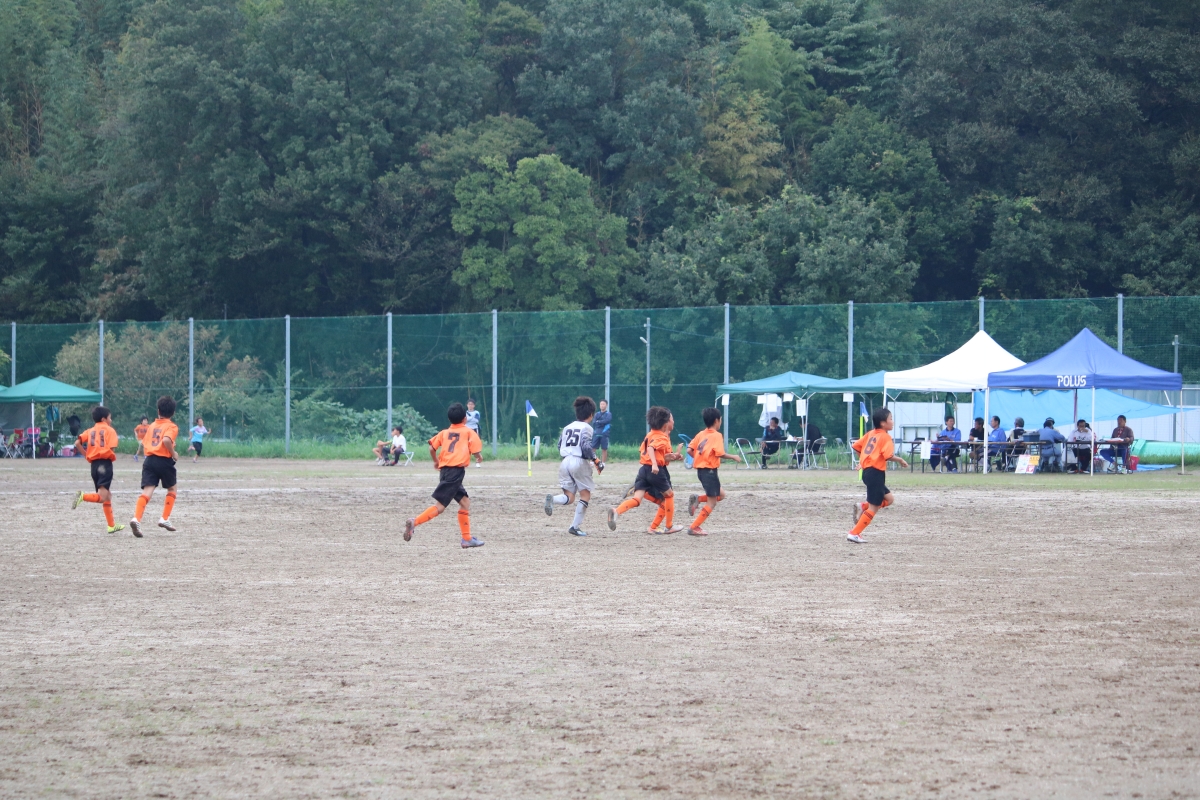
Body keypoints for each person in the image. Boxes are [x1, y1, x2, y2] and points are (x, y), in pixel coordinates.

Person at [404, 403, 485, 548]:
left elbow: (431, 448)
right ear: (465, 418)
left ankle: (466, 538)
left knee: (465, 502)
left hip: (446, 471)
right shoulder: (468, 432)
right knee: (440, 507)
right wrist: (479, 457)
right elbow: (475, 450)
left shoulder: (444, 433)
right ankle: (415, 521)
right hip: (455, 472)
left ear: (449, 419)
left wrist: (436, 461)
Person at [607, 406, 684, 534]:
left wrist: (674, 456)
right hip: (656, 471)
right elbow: (651, 449)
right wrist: (654, 464)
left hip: (643, 470)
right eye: (672, 419)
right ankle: (669, 526)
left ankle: (616, 512)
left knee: (637, 500)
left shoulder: (650, 435)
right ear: (665, 424)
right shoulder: (662, 437)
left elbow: (656, 454)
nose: (673, 421)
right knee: (669, 496)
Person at [544, 396, 605, 537]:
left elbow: (559, 445)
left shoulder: (567, 427)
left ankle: (553, 499)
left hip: (565, 461)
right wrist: (596, 460)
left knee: (569, 497)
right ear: (591, 415)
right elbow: (585, 446)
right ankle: (574, 527)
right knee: (585, 495)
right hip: (578, 461)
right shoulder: (587, 428)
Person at [847, 407, 909, 543]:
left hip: (868, 473)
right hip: (875, 473)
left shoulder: (870, 434)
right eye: (890, 419)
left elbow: (857, 446)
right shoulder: (885, 437)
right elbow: (888, 455)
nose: (892, 421)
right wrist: (900, 460)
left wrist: (863, 460)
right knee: (874, 507)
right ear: (883, 423)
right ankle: (854, 533)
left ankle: (863, 506)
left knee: (889, 499)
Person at [685, 407, 742, 535]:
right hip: (709, 471)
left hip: (702, 471)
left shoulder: (700, 434)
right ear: (717, 420)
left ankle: (698, 499)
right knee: (712, 502)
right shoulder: (717, 435)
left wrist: (699, 458)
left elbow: (689, 450)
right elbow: (720, 453)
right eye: (720, 419)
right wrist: (733, 456)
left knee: (721, 495)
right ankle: (694, 527)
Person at [130, 396, 181, 537]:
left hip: (149, 460)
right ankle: (164, 518)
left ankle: (136, 519)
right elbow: (166, 440)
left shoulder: (151, 426)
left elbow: (145, 443)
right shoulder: (172, 426)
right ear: (173, 413)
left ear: (158, 411)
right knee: (172, 488)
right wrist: (173, 453)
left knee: (147, 492)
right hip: (164, 461)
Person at [71, 406, 126, 534]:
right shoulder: (110, 430)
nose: (111, 420)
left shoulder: (90, 430)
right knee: (102, 497)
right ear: (104, 419)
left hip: (94, 465)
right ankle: (83, 496)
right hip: (104, 464)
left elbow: (77, 443)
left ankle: (111, 526)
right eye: (110, 417)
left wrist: (87, 455)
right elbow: (111, 449)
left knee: (107, 496)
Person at [464, 399, 483, 467]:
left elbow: (476, 420)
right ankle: (465, 461)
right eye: (469, 404)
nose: (470, 406)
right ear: (467, 405)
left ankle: (477, 462)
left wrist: (468, 418)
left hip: (474, 430)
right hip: (466, 430)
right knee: (465, 446)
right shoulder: (464, 413)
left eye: (472, 404)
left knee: (475, 446)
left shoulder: (476, 412)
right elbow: (464, 421)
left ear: (474, 405)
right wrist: (471, 418)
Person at [592, 399, 612, 464]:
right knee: (593, 448)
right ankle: (592, 462)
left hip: (604, 434)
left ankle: (603, 463)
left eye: (603, 404)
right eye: (601, 404)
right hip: (596, 433)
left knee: (604, 449)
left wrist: (599, 422)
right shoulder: (597, 414)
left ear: (606, 405)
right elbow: (594, 422)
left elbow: (607, 421)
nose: (602, 405)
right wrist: (600, 422)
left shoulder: (608, 414)